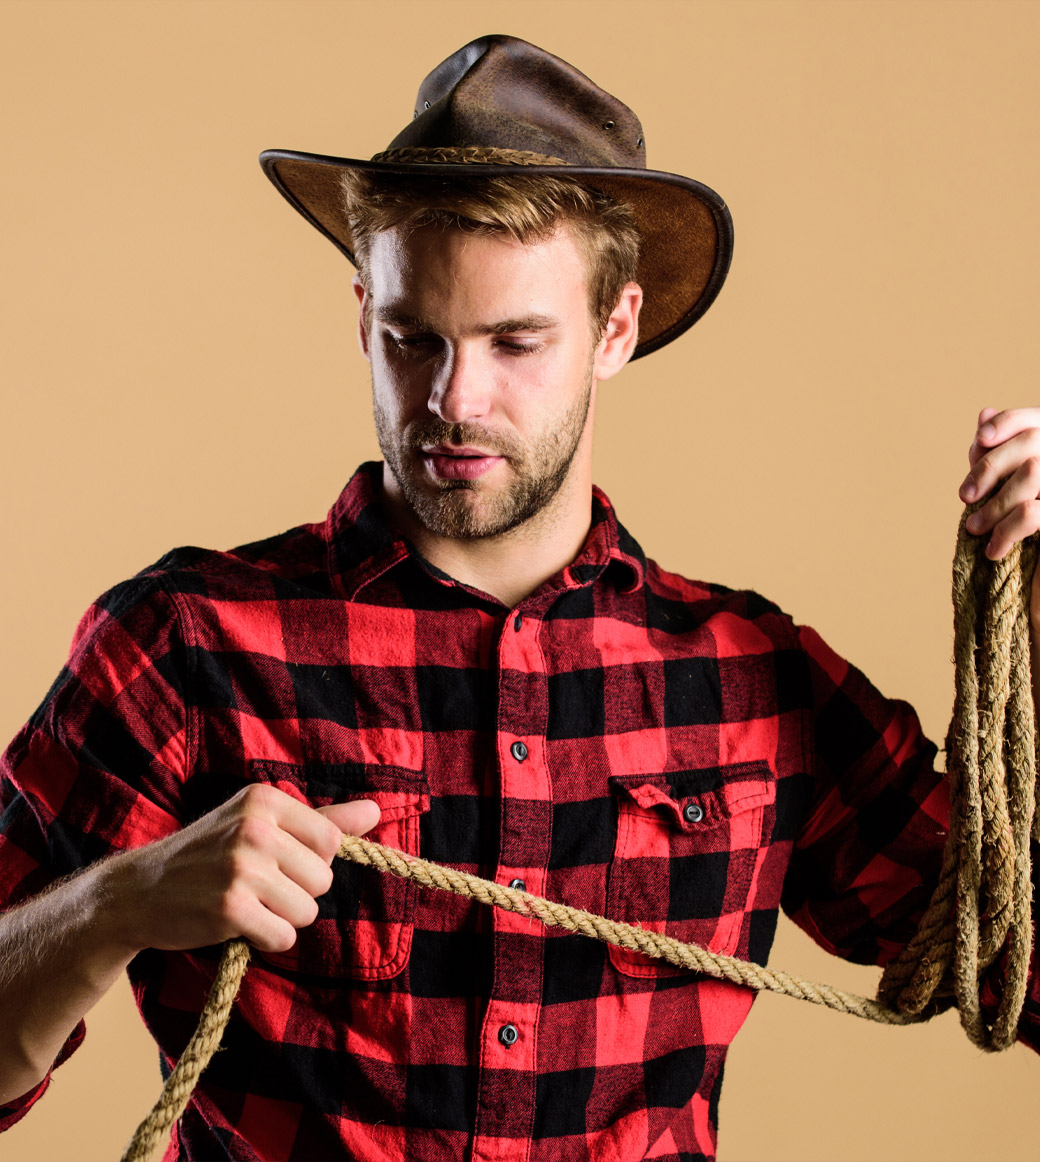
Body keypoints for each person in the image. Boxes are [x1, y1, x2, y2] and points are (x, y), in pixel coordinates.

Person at [0, 33, 1037, 1162]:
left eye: (515, 342)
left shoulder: (752, 679)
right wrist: (119, 902)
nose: (454, 399)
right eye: (412, 339)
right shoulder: (186, 643)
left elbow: (1016, 972)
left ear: (615, 329)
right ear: (362, 314)